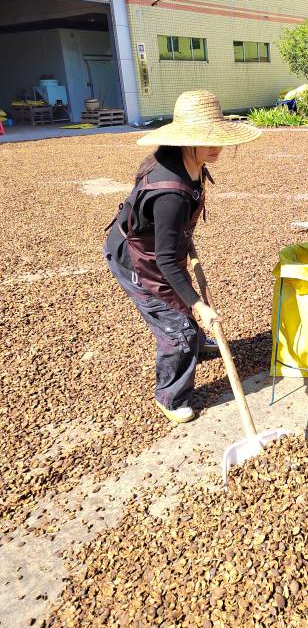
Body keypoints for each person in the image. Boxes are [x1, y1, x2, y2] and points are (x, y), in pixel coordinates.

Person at [104, 90, 261, 423]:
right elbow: (163, 261)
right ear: (185, 138)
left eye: (218, 137)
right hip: (136, 259)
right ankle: (170, 397)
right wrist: (200, 305)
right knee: (177, 328)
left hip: (161, 249)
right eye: (206, 139)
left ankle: (198, 344)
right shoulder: (169, 191)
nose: (216, 146)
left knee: (183, 303)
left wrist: (183, 243)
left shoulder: (188, 162)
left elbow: (168, 241)